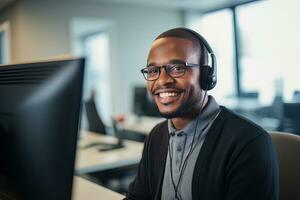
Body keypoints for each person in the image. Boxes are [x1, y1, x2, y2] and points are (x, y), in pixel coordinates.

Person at [125, 28, 279, 200]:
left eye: (177, 67)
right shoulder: (156, 136)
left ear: (207, 76)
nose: (162, 80)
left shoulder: (248, 142)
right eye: (153, 70)